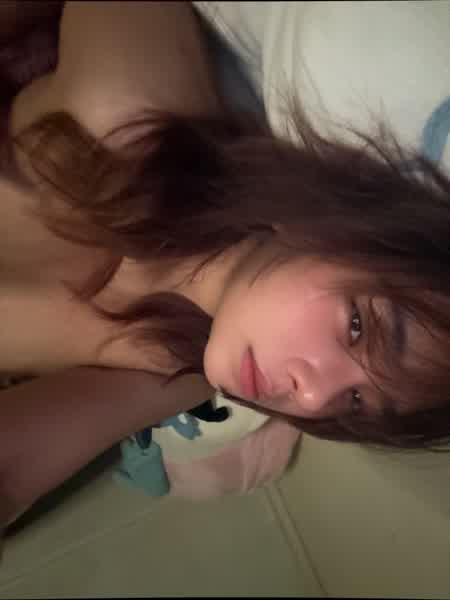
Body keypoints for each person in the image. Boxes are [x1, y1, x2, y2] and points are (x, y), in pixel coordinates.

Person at [1, 1, 450, 526]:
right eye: (357, 326)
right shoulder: (130, 133)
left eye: (354, 400)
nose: (310, 399)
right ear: (340, 228)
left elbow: (11, 471)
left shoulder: (174, 363)